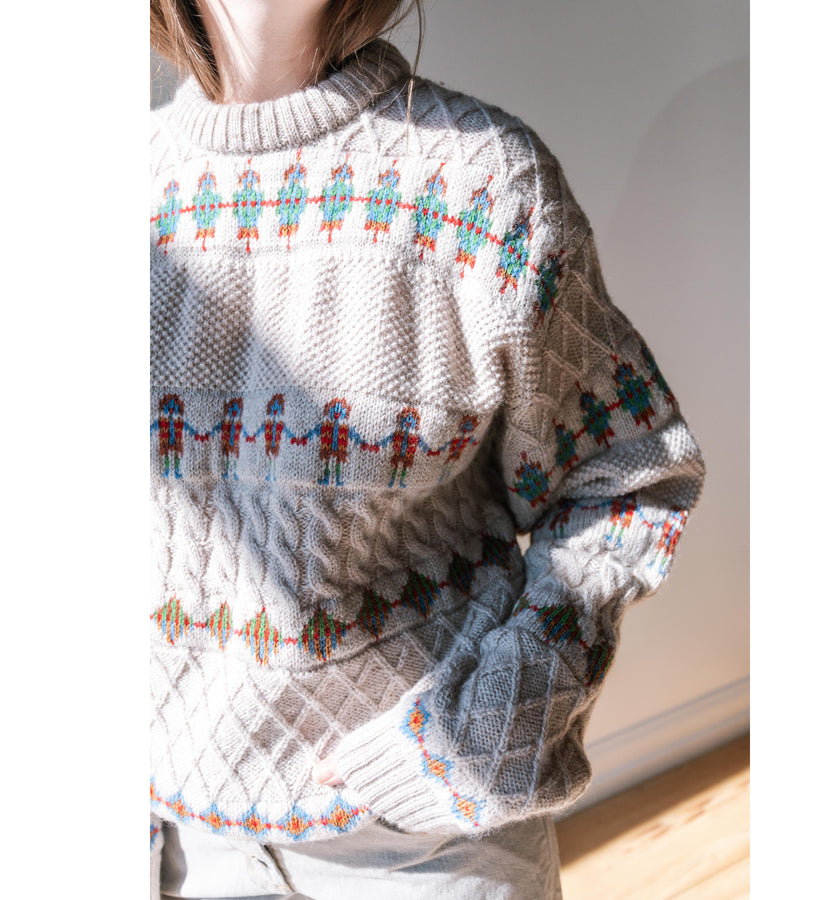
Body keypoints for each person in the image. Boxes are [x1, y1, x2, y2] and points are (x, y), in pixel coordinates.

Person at [149, 1, 706, 897]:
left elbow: (628, 477)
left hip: (426, 848)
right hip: (184, 843)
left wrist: (493, 729)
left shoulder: (483, 187)